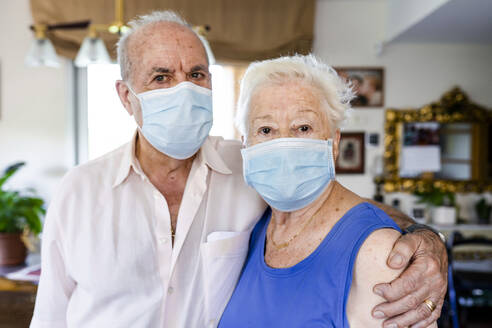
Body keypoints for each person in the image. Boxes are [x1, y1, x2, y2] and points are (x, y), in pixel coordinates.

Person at [30, 10, 447, 328]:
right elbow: (49, 317)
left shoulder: (249, 166)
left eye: (196, 74)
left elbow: (335, 209)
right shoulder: (79, 191)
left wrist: (427, 240)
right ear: (126, 96)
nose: (183, 88)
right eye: (161, 77)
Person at [219, 55, 442, 327]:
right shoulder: (255, 224)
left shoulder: (379, 254)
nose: (284, 145)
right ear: (245, 145)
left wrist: (430, 236)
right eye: (266, 129)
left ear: (334, 142)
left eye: (303, 127)